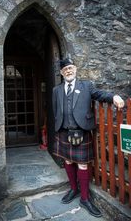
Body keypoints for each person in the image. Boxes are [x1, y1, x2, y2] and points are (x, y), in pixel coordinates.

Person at [52, 58, 124, 218]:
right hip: (64, 131)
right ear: (62, 73)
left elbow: (100, 94)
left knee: (83, 165)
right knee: (68, 161)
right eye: (65, 70)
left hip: (81, 131)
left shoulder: (86, 86)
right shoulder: (56, 90)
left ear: (75, 69)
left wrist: (114, 97)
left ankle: (85, 198)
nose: (68, 71)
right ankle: (73, 189)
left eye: (70, 68)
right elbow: (55, 110)